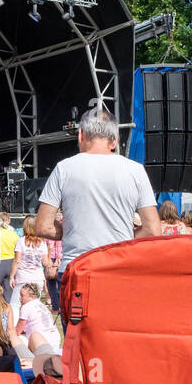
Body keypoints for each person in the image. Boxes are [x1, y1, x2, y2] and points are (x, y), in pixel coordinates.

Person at [34, 105, 161, 280]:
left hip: (77, 268)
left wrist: (76, 231)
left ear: (81, 135)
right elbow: (153, 230)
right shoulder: (136, 170)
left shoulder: (63, 169)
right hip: (120, 268)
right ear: (115, 140)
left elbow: (42, 226)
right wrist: (119, 236)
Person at [9, 215, 50, 311]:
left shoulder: (21, 241)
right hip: (37, 277)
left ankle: (15, 325)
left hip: (23, 277)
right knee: (34, 307)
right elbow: (45, 262)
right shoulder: (42, 243)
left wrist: (12, 276)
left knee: (15, 305)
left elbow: (17, 261)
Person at [15, 283, 58, 355]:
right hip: (55, 339)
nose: (20, 298)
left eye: (22, 295)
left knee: (17, 339)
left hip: (41, 342)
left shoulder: (26, 307)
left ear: (32, 296)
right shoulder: (41, 304)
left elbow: (17, 331)